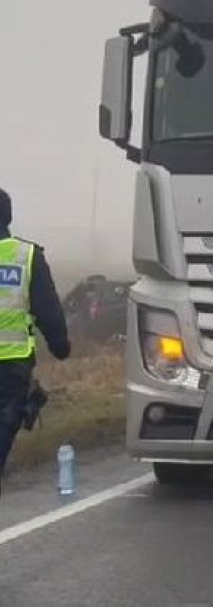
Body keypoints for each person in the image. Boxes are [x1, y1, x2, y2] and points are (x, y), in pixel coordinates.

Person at [0, 188, 71, 497]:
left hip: (14, 358)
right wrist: (60, 345)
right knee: (8, 413)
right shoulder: (27, 256)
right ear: (9, 217)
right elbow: (47, 307)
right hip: (13, 359)